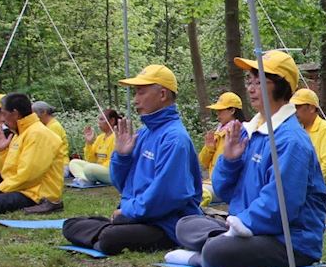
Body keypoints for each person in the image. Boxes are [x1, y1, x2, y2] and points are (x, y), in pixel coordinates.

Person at [166, 50, 326, 267]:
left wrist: (241, 225)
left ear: (281, 86)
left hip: (289, 240)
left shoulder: (291, 140)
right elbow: (223, 190)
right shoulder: (250, 131)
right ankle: (221, 241)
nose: (251, 88)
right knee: (186, 224)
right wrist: (229, 161)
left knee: (217, 251)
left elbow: (280, 206)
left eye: (259, 82)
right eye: (249, 81)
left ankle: (202, 255)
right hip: (247, 227)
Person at [62, 67, 202, 255]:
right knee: (70, 224)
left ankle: (107, 232)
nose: (135, 100)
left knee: (111, 237)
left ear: (162, 94)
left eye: (141, 92)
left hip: (167, 224)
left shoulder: (174, 138)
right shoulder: (144, 133)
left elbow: (166, 196)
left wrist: (128, 212)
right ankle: (107, 231)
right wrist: (122, 156)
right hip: (141, 217)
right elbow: (122, 185)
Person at [290, 87, 326, 187]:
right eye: (293, 107)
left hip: (325, 186)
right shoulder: (300, 130)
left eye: (298, 106)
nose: (294, 111)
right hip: (309, 184)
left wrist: (308, 180)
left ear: (312, 108)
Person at [199, 91, 244, 207]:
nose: (218, 115)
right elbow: (203, 163)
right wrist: (209, 148)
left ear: (232, 110)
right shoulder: (218, 132)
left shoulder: (239, 134)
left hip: (225, 186)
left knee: (198, 194)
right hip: (212, 182)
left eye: (220, 111)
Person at [68, 109, 119, 186]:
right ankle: (85, 179)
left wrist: (98, 166)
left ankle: (86, 179)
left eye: (101, 119)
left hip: (111, 172)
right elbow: (90, 160)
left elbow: (114, 161)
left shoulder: (117, 137)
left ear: (112, 121)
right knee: (74, 163)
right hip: (96, 168)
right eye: (98, 119)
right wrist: (89, 143)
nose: (98, 122)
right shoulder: (100, 137)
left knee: (89, 168)